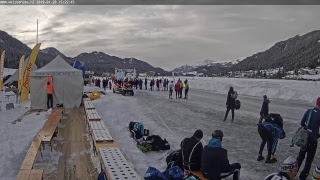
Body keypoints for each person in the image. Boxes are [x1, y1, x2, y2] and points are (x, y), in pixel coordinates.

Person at [296, 97, 320, 180]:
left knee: (300, 157)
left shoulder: (309, 111)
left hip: (304, 139)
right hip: (313, 141)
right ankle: (302, 177)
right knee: (308, 161)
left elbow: (302, 123)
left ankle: (293, 174)